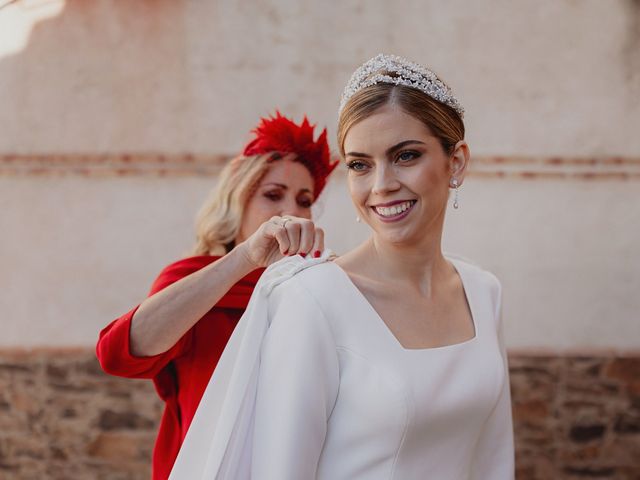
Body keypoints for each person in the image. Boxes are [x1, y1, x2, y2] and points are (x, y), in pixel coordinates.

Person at [169, 54, 515, 479]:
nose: (381, 185)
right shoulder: (313, 300)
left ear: (456, 162)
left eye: (405, 156)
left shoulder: (484, 293)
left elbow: (495, 458)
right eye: (359, 165)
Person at [95, 112, 338, 480]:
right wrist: (244, 259)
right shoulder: (195, 280)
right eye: (272, 195)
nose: (290, 212)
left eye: (304, 200)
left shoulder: (322, 288)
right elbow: (119, 354)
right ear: (236, 202)